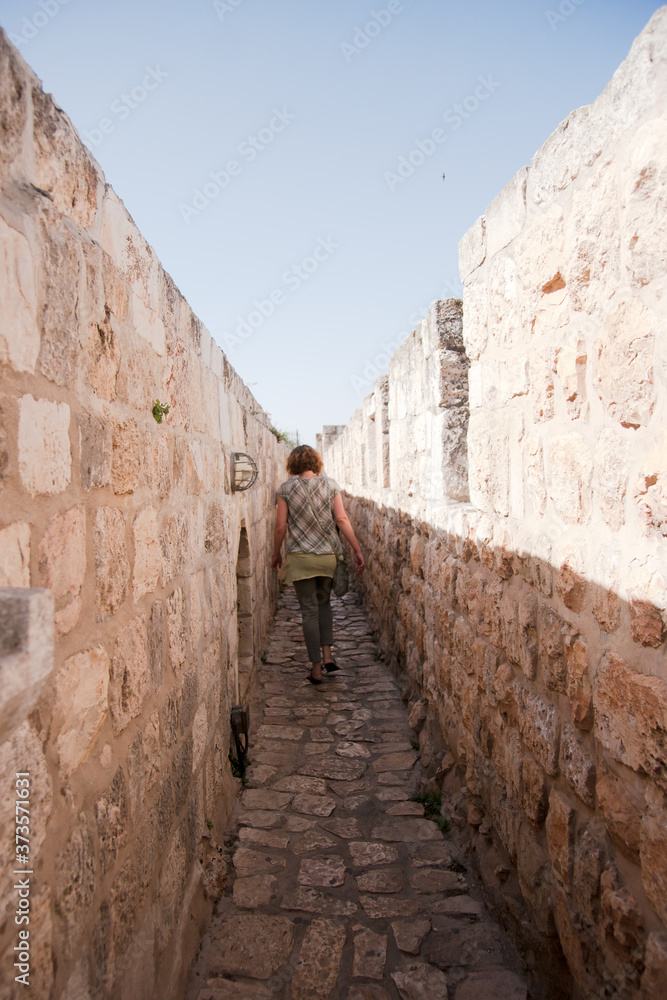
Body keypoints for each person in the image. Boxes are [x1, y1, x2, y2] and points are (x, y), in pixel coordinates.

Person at [271, 445, 365, 684]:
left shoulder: (285, 490)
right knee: (324, 606)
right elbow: (341, 519)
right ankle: (328, 656)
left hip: (301, 559)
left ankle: (315, 669)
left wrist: (275, 554)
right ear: (316, 462)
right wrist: (356, 548)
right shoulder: (330, 485)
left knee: (309, 612)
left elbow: (280, 526)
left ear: (293, 464)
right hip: (327, 558)